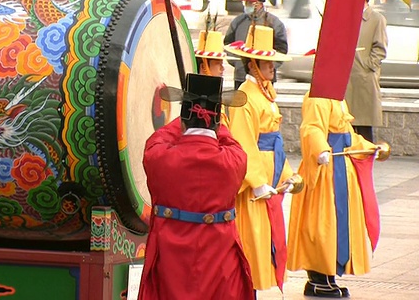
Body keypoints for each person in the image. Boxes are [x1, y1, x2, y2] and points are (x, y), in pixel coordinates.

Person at [138, 73, 254, 300]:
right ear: (217, 122)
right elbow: (228, 138)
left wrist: (186, 116)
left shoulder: (157, 157)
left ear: (182, 120)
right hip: (220, 264)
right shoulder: (235, 160)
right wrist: (213, 119)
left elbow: (160, 136)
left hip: (171, 263)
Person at [288, 92, 385, 297]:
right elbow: (311, 128)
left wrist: (368, 147)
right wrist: (320, 148)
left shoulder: (338, 98)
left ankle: (328, 275)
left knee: (336, 224)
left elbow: (347, 134)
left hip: (339, 167)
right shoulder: (315, 96)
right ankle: (317, 277)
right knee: (321, 224)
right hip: (324, 170)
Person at [226, 25, 299, 293]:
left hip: (271, 172)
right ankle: (247, 289)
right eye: (268, 64)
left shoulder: (266, 94)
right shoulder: (245, 98)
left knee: (267, 236)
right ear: (254, 64)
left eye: (273, 64)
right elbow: (243, 140)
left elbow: (276, 140)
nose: (273, 69)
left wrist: (285, 173)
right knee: (253, 238)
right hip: (254, 181)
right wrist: (256, 181)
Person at [344, 0, 388, 143]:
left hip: (364, 80)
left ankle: (364, 164)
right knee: (346, 127)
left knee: (363, 129)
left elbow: (380, 48)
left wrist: (367, 65)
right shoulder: (347, 17)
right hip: (347, 80)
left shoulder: (376, 19)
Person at [224, 0, 288, 90]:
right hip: (241, 76)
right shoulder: (238, 21)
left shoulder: (274, 23)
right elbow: (228, 44)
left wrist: (268, 68)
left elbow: (282, 50)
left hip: (265, 79)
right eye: (246, 2)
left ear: (260, 4)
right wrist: (238, 63)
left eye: (250, 3)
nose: (247, 5)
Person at [194, 29, 230, 126]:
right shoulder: (196, 97)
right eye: (218, 64)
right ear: (203, 66)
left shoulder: (214, 93)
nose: (222, 68)